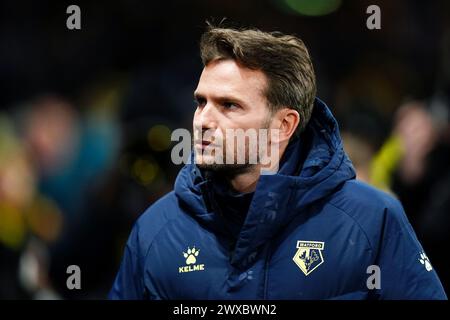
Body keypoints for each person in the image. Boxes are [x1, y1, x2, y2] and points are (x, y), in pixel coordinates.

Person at [109, 25, 447, 299]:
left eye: (229, 105)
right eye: (201, 102)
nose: (203, 120)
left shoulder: (373, 222)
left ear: (283, 125)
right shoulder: (155, 230)